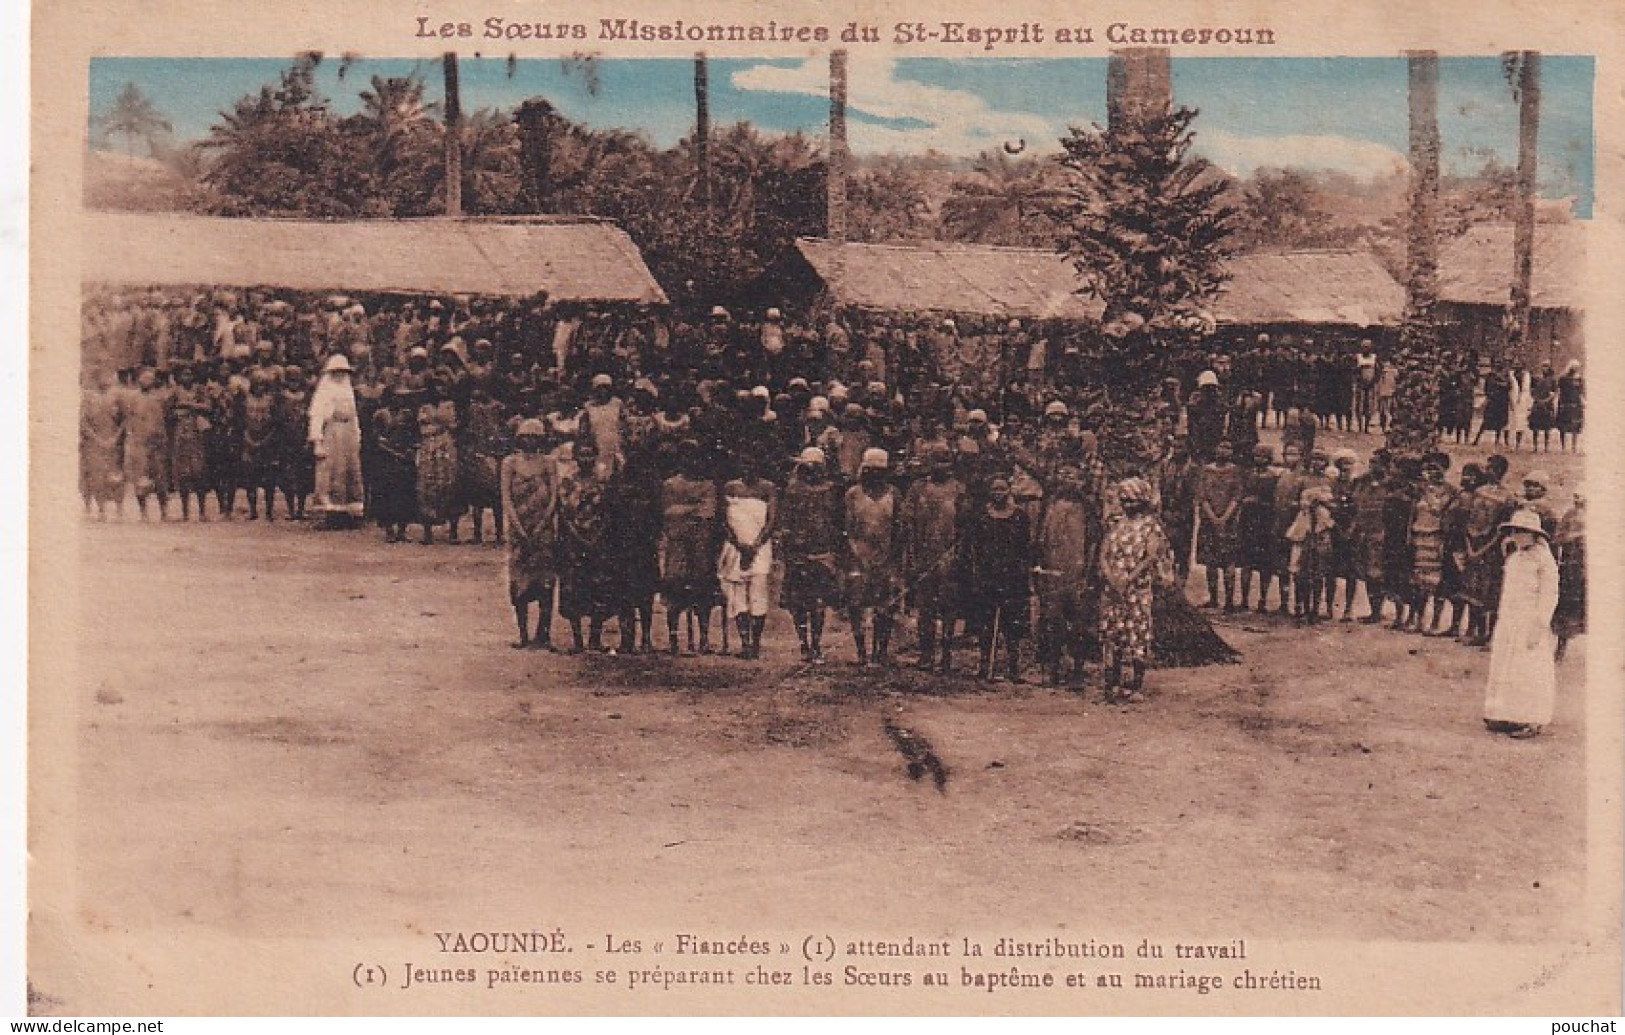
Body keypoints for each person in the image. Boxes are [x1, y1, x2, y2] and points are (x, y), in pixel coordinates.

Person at [1098, 477, 1177, 703]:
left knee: (1137, 634)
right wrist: (1111, 577)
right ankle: (1112, 683)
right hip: (1112, 588)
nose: (1128, 505)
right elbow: (1103, 553)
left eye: (1133, 501)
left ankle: (1135, 685)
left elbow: (1150, 558)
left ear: (1142, 501)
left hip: (1137, 589)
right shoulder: (1115, 523)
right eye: (1124, 501)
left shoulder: (1151, 527)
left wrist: (1128, 579)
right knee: (1112, 634)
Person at [1483, 509, 1560, 738]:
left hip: (1530, 621)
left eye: (1523, 532)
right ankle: (1507, 714)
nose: (1518, 535)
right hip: (1510, 619)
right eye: (1515, 531)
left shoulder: (1544, 561)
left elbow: (1549, 594)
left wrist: (1539, 624)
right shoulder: (1514, 558)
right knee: (1507, 665)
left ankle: (1533, 719)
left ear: (1534, 535)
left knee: (1529, 668)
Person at [904, 444, 969, 674]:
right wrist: (912, 556)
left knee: (949, 608)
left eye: (945, 462)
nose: (940, 467)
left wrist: (956, 554)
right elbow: (909, 525)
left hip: (949, 557)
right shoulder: (917, 488)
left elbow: (964, 527)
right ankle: (926, 654)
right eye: (936, 462)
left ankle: (947, 655)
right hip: (924, 556)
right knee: (925, 609)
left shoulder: (958, 489)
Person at [778, 447, 843, 664]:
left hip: (821, 550)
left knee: (818, 601)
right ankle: (804, 643)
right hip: (798, 551)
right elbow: (785, 520)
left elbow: (835, 520)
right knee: (798, 602)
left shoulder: (831, 490)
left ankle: (815, 643)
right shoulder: (793, 490)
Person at [966, 474, 1033, 683]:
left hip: (1013, 576)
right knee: (986, 624)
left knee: (1012, 624)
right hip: (988, 575)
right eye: (994, 489)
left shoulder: (1020, 517)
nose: (998, 493)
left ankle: (1014, 667)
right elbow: (974, 547)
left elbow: (1026, 548)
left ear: (1009, 491)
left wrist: (1023, 571)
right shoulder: (981, 516)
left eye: (1002, 489)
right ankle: (985, 664)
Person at [500, 420, 559, 649]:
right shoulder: (510, 463)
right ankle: (523, 634)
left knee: (546, 582)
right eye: (525, 436)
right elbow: (506, 497)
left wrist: (543, 522)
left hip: (543, 529)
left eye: (534, 436)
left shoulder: (549, 463)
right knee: (519, 583)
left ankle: (543, 634)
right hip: (518, 530)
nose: (529, 440)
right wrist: (519, 527)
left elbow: (554, 496)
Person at [1035, 464, 1095, 686]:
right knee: (1053, 622)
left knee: (1078, 624)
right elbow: (1041, 539)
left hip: (1077, 573)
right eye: (1063, 475)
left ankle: (1078, 671)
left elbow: (1093, 543)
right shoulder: (1051, 505)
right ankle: (1053, 671)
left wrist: (1087, 572)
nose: (1068, 480)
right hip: (1053, 571)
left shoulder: (1087, 508)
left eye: (1073, 477)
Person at [659, 440, 720, 655]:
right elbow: (668, 513)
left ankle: (703, 638)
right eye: (686, 456)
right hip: (677, 544)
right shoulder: (670, 484)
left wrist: (683, 511)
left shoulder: (708, 485)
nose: (691, 461)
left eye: (695, 457)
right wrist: (692, 509)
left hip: (700, 545)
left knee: (702, 592)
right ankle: (674, 638)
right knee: (674, 591)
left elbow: (707, 514)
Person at [843, 448, 902, 668]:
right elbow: (847, 528)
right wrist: (856, 555)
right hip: (858, 556)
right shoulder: (853, 494)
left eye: (879, 470)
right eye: (870, 470)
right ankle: (861, 651)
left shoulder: (894, 494)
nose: (874, 474)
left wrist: (891, 558)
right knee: (856, 604)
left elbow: (899, 528)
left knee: (884, 605)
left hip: (885, 557)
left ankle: (881, 651)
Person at [718, 457, 778, 660]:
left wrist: (755, 545)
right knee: (737, 595)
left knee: (758, 593)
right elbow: (724, 520)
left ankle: (756, 643)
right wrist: (737, 543)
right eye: (744, 464)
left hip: (759, 547)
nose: (748, 468)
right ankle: (744, 642)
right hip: (736, 548)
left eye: (753, 464)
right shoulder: (731, 487)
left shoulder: (768, 488)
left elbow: (771, 520)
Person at [307, 353, 365, 525]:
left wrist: (357, 434)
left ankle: (349, 512)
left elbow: (354, 415)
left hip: (348, 433)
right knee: (331, 470)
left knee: (350, 469)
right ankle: (330, 512)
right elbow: (316, 416)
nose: (339, 375)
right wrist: (317, 440)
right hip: (332, 431)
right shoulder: (324, 390)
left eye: (342, 371)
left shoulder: (348, 389)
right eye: (336, 371)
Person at [1195, 440, 1243, 611]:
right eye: (1220, 446)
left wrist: (1224, 518)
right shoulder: (1206, 470)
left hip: (1229, 523)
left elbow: (1237, 497)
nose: (1223, 450)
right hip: (1209, 522)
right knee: (1210, 562)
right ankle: (1213, 598)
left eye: (1228, 448)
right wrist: (1213, 517)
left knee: (1229, 562)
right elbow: (1202, 496)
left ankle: (1229, 601)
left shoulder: (1235, 471)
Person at [81, 367, 126, 520]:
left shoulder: (118, 395)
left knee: (115, 476)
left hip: (114, 442)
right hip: (95, 443)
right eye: (102, 376)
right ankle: (101, 510)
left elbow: (124, 420)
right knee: (97, 477)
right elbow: (84, 422)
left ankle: (119, 510)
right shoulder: (89, 397)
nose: (105, 380)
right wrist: (96, 439)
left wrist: (116, 437)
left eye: (108, 376)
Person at [1552, 493, 1586, 662]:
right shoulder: (1570, 515)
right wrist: (1574, 537)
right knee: (1566, 608)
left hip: (1590, 570)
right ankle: (1561, 646)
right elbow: (1557, 537)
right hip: (1571, 567)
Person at [1556, 360, 1584, 452]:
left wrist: (1582, 402)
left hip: (1575, 404)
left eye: (1577, 367)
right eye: (1573, 367)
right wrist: (1560, 403)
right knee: (1563, 426)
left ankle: (1574, 447)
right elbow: (1560, 391)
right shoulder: (1563, 378)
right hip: (1565, 404)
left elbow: (1581, 392)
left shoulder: (1579, 379)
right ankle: (1563, 447)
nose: (1575, 369)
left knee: (1575, 426)